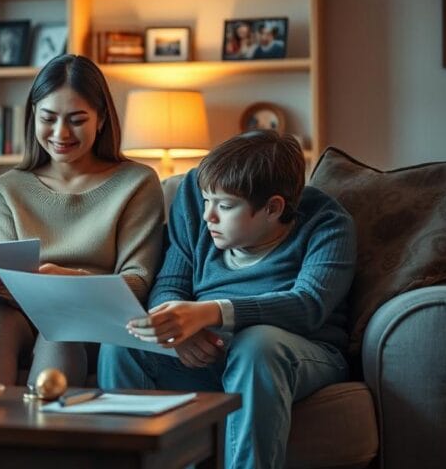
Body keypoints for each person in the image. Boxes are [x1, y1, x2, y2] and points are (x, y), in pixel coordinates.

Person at [98, 130, 356, 469]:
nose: (209, 217)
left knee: (257, 344)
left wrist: (209, 313)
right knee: (123, 343)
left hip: (296, 355)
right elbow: (170, 282)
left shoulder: (328, 224)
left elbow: (308, 305)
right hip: (207, 353)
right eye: (208, 201)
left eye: (226, 206)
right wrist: (177, 332)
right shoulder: (194, 199)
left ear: (273, 208)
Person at [0, 54, 165, 387]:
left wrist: (69, 280)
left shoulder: (137, 183)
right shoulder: (7, 188)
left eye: (76, 119)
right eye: (49, 118)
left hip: (95, 314)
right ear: (33, 116)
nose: (61, 132)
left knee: (60, 330)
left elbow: (138, 279)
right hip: (19, 312)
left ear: (100, 119)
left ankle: (49, 437)